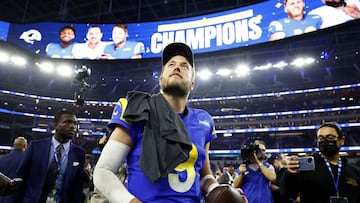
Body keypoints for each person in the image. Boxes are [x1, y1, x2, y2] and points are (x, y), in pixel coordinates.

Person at [93, 42, 237, 202]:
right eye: (171, 64)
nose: (177, 67)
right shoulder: (137, 108)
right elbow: (103, 171)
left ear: (192, 83)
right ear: (161, 78)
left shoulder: (204, 121)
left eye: (184, 66)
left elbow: (204, 176)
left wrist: (221, 191)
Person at [14, 109, 86, 203]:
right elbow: (20, 178)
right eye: (67, 122)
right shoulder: (36, 147)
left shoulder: (79, 153)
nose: (72, 126)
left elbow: (77, 188)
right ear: (55, 125)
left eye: (75, 123)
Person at [280, 122, 360, 203]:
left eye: (330, 137)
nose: (325, 141)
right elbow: (287, 193)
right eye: (321, 138)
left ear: (341, 140)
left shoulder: (353, 170)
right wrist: (290, 174)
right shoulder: (306, 166)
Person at [0, 136, 27, 203]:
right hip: (18, 197)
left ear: (14, 145)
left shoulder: (2, 159)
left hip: (2, 197)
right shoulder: (27, 160)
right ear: (25, 146)